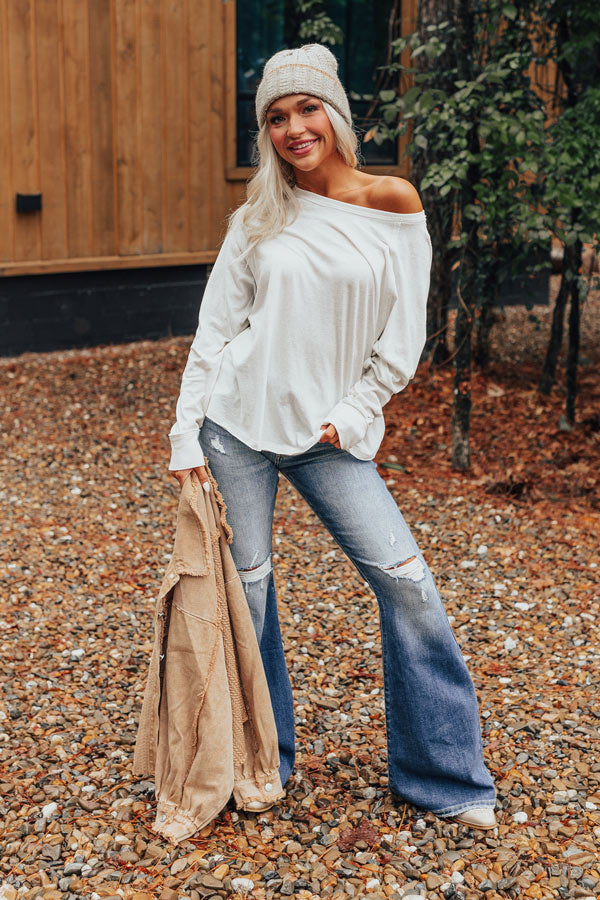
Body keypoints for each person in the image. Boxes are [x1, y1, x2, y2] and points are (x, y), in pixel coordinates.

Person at [167, 43, 497, 828]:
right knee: (248, 596)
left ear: (336, 113)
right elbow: (215, 334)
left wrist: (351, 414)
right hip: (235, 428)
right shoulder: (258, 218)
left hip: (329, 436)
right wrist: (185, 437)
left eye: (306, 109)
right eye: (276, 117)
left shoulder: (393, 202)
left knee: (408, 584)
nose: (293, 129)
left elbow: (402, 338)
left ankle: (445, 778)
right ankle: (261, 763)